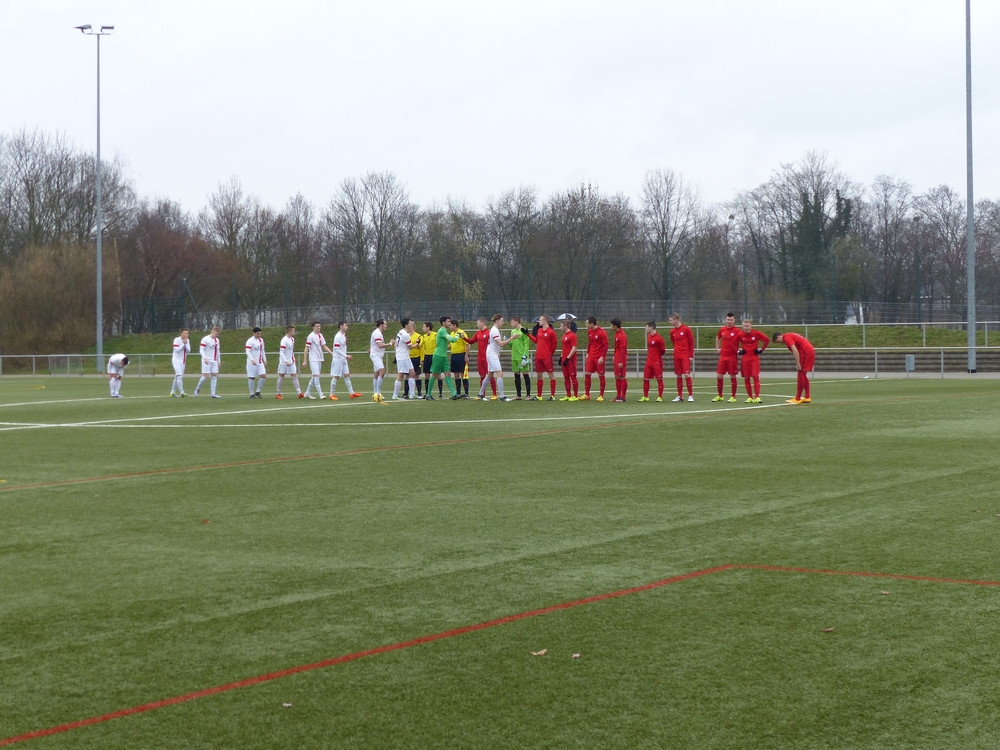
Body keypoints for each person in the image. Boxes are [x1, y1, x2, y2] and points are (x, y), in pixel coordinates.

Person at [773, 331, 816, 403]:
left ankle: (797, 398)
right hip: (809, 351)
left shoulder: (787, 338)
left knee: (801, 374)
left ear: (778, 337)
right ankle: (807, 396)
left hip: (806, 353)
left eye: (777, 341)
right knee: (803, 375)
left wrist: (798, 363)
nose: (779, 343)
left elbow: (795, 350)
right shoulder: (789, 335)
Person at [735, 319, 770, 404]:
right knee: (747, 377)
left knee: (755, 376)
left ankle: (757, 397)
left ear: (751, 326)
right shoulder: (740, 334)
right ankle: (750, 397)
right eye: (744, 326)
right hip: (745, 359)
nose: (745, 328)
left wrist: (761, 350)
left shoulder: (756, 333)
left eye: (747, 326)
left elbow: (767, 339)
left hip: (754, 358)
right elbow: (733, 343)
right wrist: (738, 351)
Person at [479, 313, 511, 401]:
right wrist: (511, 338)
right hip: (491, 354)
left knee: (490, 374)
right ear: (497, 321)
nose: (502, 323)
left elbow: (496, 344)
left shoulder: (495, 330)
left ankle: (480, 393)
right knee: (500, 373)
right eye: (501, 321)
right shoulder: (494, 330)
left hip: (492, 353)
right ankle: (502, 396)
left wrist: (498, 353)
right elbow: (500, 343)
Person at [525, 315, 558, 400]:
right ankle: (539, 396)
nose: (539, 321)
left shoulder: (551, 332)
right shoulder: (539, 330)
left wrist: (549, 354)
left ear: (545, 321)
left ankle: (552, 395)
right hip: (538, 356)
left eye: (540, 320)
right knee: (539, 375)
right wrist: (528, 334)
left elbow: (554, 345)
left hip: (546, 357)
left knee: (550, 374)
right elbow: (536, 340)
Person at [463, 317, 495, 400]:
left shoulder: (489, 333)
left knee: (490, 375)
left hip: (487, 357)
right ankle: (482, 394)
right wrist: (463, 338)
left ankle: (494, 394)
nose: (477, 325)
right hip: (480, 358)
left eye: (478, 323)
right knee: (482, 376)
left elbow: (494, 344)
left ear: (482, 323)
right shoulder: (478, 333)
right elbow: (471, 341)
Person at [329, 321, 362, 400]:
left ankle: (352, 393)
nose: (347, 327)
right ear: (341, 326)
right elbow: (336, 349)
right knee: (336, 376)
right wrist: (346, 356)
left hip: (343, 359)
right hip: (338, 359)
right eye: (345, 325)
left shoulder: (343, 335)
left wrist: (345, 356)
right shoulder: (338, 336)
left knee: (347, 375)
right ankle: (331, 394)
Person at [429, 316, 459, 399]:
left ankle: (453, 394)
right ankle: (428, 394)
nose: (449, 323)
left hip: (444, 356)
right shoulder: (442, 331)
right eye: (448, 321)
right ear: (443, 323)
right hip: (438, 356)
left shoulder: (444, 331)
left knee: (447, 374)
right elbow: (453, 340)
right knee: (435, 374)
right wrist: (457, 335)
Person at [713, 313, 740, 403]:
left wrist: (740, 350)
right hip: (723, 356)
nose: (729, 321)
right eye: (728, 320)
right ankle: (720, 396)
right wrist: (717, 348)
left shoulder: (737, 330)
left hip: (732, 357)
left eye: (731, 320)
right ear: (726, 320)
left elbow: (743, 339)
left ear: (734, 320)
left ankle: (733, 396)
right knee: (719, 376)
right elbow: (718, 338)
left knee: (732, 376)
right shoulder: (722, 329)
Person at [302, 321, 333, 399]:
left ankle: (307, 393)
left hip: (319, 358)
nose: (319, 327)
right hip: (313, 358)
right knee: (316, 375)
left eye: (319, 326)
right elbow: (306, 348)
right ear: (313, 327)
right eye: (317, 326)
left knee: (314, 376)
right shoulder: (310, 336)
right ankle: (320, 394)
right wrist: (305, 360)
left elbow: (324, 346)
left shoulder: (320, 335)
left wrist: (331, 353)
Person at [668, 312, 695, 402]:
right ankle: (680, 396)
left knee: (686, 374)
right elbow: (673, 342)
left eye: (671, 320)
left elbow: (691, 342)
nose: (670, 322)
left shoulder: (686, 329)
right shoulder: (672, 331)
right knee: (678, 375)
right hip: (677, 356)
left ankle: (690, 395)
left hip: (685, 356)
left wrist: (691, 355)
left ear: (676, 320)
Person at [391, 318, 420, 400]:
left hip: (405, 357)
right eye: (410, 323)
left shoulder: (401, 332)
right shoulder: (405, 335)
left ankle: (412, 394)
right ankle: (395, 395)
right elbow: (410, 347)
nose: (411, 324)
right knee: (401, 375)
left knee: (412, 373)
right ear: (406, 325)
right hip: (402, 357)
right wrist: (417, 343)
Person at [639, 321, 666, 402]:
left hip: (656, 361)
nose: (646, 328)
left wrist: (656, 356)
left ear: (651, 327)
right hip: (649, 361)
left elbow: (663, 350)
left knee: (659, 379)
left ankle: (660, 396)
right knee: (645, 378)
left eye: (647, 327)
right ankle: (645, 396)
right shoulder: (649, 336)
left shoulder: (659, 338)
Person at [583, 316, 609, 401]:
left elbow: (606, 345)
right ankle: (587, 394)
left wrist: (602, 356)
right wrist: (588, 353)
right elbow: (590, 343)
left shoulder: (602, 332)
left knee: (601, 375)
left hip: (599, 357)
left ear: (591, 323)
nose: (586, 325)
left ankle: (601, 395)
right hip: (591, 356)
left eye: (587, 323)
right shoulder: (589, 331)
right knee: (587, 374)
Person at [275, 325, 303, 400]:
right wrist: (285, 361)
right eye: (293, 331)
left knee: (294, 375)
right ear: (289, 331)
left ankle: (299, 393)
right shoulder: (284, 340)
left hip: (291, 361)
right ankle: (278, 393)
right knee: (281, 376)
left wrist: (292, 360)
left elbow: (291, 351)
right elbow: (281, 352)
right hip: (284, 362)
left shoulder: (292, 339)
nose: (294, 332)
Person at [194, 326, 222, 398]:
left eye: (218, 334)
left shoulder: (217, 340)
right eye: (216, 334)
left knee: (214, 375)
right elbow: (201, 350)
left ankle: (213, 394)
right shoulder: (205, 339)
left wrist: (219, 361)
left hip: (214, 360)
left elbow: (218, 351)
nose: (217, 336)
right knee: (206, 376)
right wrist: (205, 358)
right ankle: (197, 389)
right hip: (206, 360)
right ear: (213, 332)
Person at [509, 315, 531, 400]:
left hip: (522, 357)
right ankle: (518, 395)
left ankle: (528, 395)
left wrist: (525, 356)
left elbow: (526, 344)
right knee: (516, 376)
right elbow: (512, 344)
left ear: (516, 322)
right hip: (514, 356)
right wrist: (509, 341)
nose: (511, 324)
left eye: (512, 322)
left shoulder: (523, 331)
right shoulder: (513, 331)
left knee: (525, 375)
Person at [450, 319, 473, 399]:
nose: (450, 327)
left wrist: (466, 356)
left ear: (455, 325)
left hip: (461, 355)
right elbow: (451, 345)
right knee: (456, 374)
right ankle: (458, 393)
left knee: (463, 374)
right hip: (454, 355)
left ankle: (466, 394)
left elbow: (468, 344)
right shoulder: (451, 334)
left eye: (450, 325)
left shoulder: (461, 333)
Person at [558, 318, 579, 401]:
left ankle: (576, 396)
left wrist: (567, 358)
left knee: (573, 377)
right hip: (564, 360)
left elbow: (574, 348)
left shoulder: (572, 335)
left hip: (570, 361)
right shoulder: (564, 336)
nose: (560, 327)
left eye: (561, 326)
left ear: (566, 326)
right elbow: (564, 348)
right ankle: (568, 395)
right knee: (566, 377)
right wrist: (561, 357)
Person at [245, 327, 267, 399]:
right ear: (253, 333)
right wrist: (252, 360)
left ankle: (258, 391)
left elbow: (262, 350)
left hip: (260, 362)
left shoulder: (261, 340)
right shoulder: (250, 341)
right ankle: (251, 393)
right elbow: (247, 351)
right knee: (252, 377)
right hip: (252, 362)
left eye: (260, 333)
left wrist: (265, 360)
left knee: (263, 376)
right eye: (258, 333)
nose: (259, 335)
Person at [370, 319, 389, 400]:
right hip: (376, 356)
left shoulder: (379, 333)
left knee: (377, 373)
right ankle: (378, 393)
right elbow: (380, 345)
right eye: (385, 324)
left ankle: (375, 393)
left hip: (378, 356)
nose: (386, 326)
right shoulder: (377, 333)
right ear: (381, 325)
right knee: (382, 372)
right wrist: (390, 343)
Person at [611, 318, 630, 402]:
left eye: (611, 325)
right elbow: (617, 347)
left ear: (615, 326)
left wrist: (621, 361)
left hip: (621, 358)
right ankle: (618, 396)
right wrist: (614, 356)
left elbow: (623, 349)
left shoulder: (622, 335)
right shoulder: (617, 334)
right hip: (617, 357)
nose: (610, 327)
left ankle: (623, 397)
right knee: (617, 376)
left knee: (622, 377)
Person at [169, 328, 190, 397]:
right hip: (176, 361)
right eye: (185, 333)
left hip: (183, 361)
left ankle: (172, 392)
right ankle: (182, 392)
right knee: (179, 376)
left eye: (187, 333)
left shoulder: (187, 340)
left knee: (177, 377)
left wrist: (185, 344)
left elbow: (189, 350)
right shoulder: (176, 340)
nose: (187, 334)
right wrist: (183, 344)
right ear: (181, 333)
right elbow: (177, 350)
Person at [420, 322, 437, 399]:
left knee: (437, 374)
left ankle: (440, 393)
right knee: (427, 375)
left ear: (428, 327)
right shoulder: (423, 337)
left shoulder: (435, 335)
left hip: (434, 356)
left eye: (424, 326)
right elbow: (420, 346)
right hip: (427, 357)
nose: (422, 328)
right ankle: (427, 393)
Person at [408, 324, 423, 398]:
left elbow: (421, 348)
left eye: (410, 326)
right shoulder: (406, 336)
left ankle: (419, 392)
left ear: (413, 327)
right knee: (407, 375)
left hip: (416, 357)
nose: (408, 327)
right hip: (408, 358)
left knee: (417, 375)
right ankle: (406, 392)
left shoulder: (418, 336)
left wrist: (421, 359)